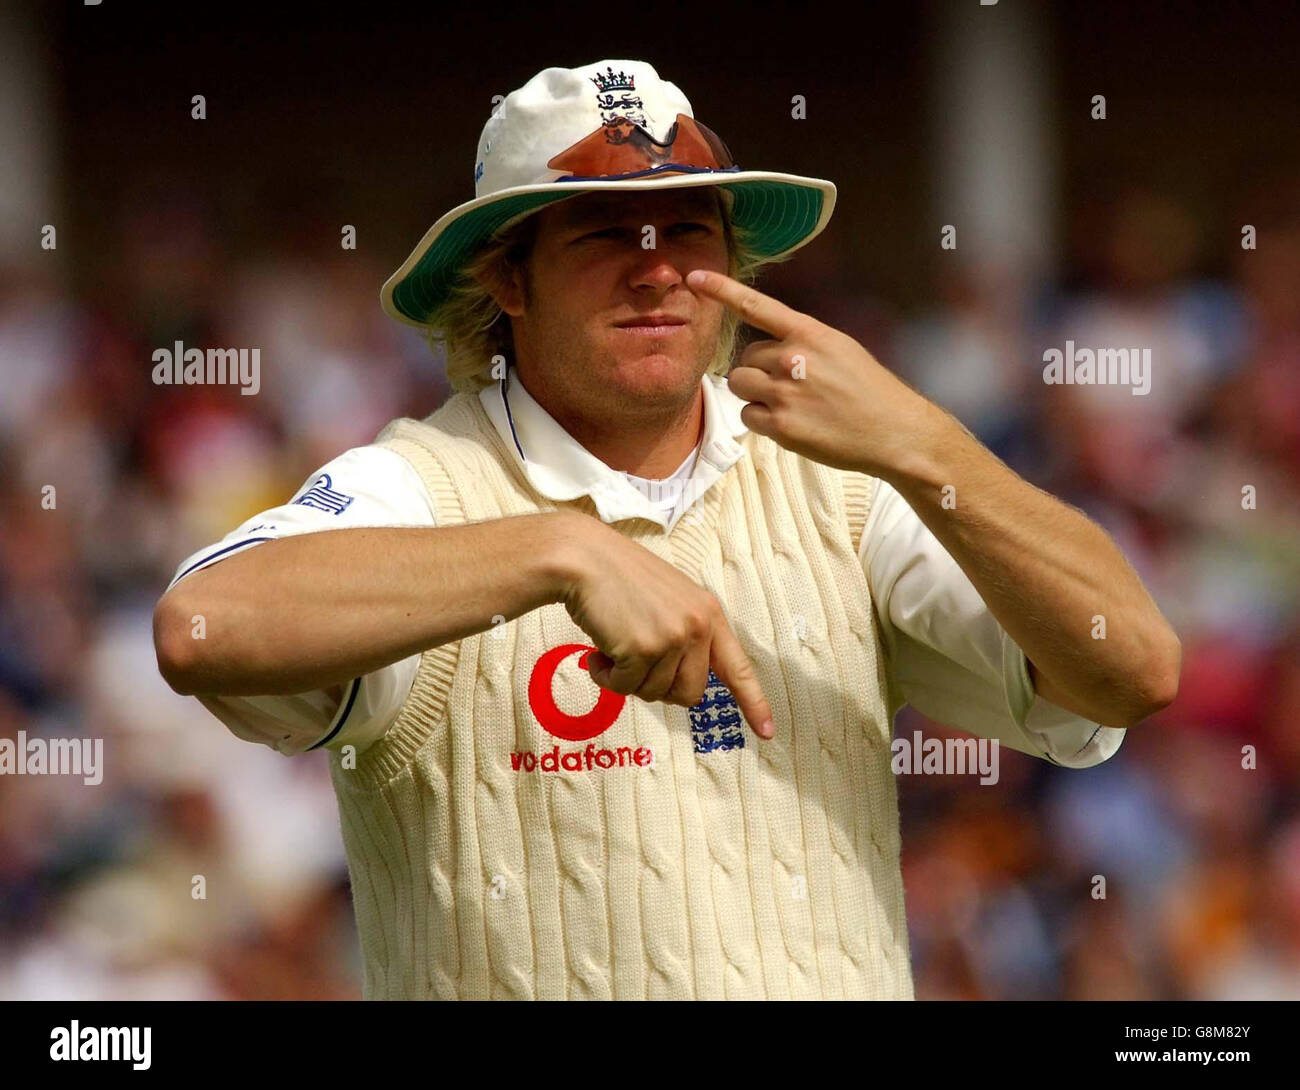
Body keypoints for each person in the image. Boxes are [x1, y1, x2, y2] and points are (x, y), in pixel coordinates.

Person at [153, 59, 1180, 1000]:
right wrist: (554, 550)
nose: (655, 272)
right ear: (506, 280)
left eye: (686, 231)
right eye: (603, 234)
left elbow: (1130, 668)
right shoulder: (418, 484)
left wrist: (928, 444)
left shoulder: (844, 484)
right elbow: (199, 627)